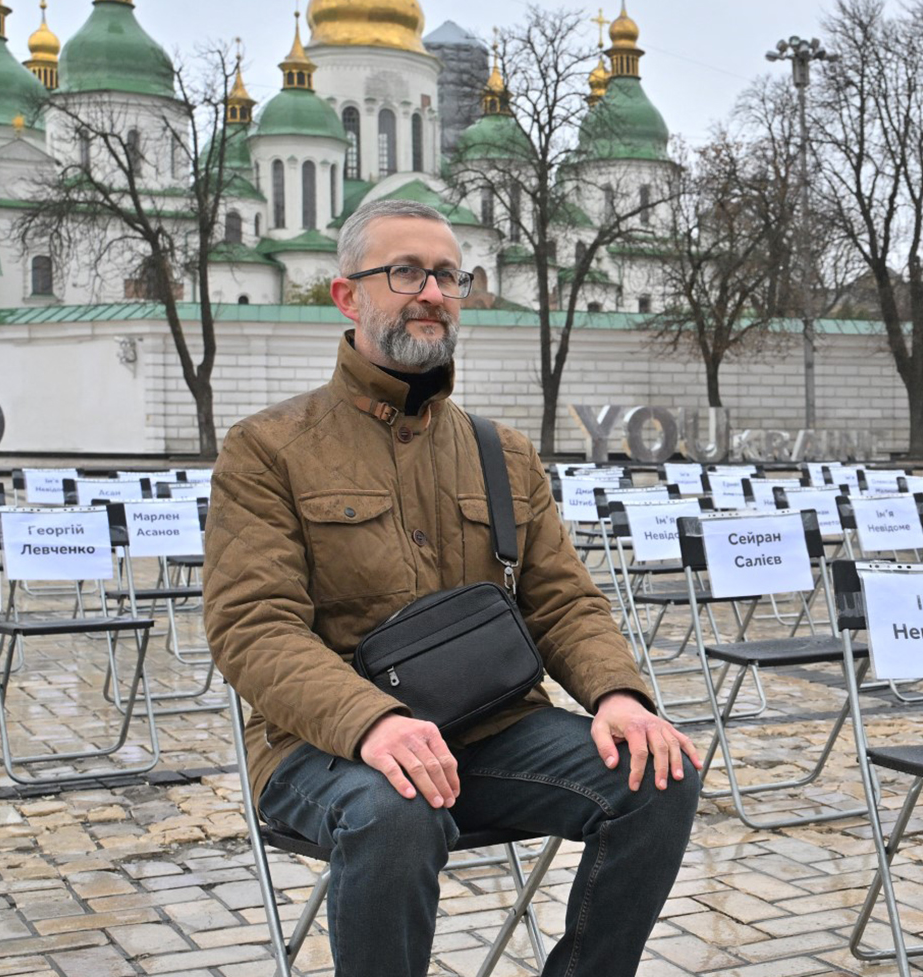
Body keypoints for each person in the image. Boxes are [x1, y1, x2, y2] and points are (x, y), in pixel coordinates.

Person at [203, 199, 702, 977]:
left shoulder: (499, 452)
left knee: (658, 774)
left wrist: (618, 696)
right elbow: (252, 628)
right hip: (326, 748)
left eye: (448, 274)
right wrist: (373, 723)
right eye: (405, 271)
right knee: (395, 807)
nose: (432, 291)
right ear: (348, 295)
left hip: (488, 733)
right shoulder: (269, 450)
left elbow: (563, 600)